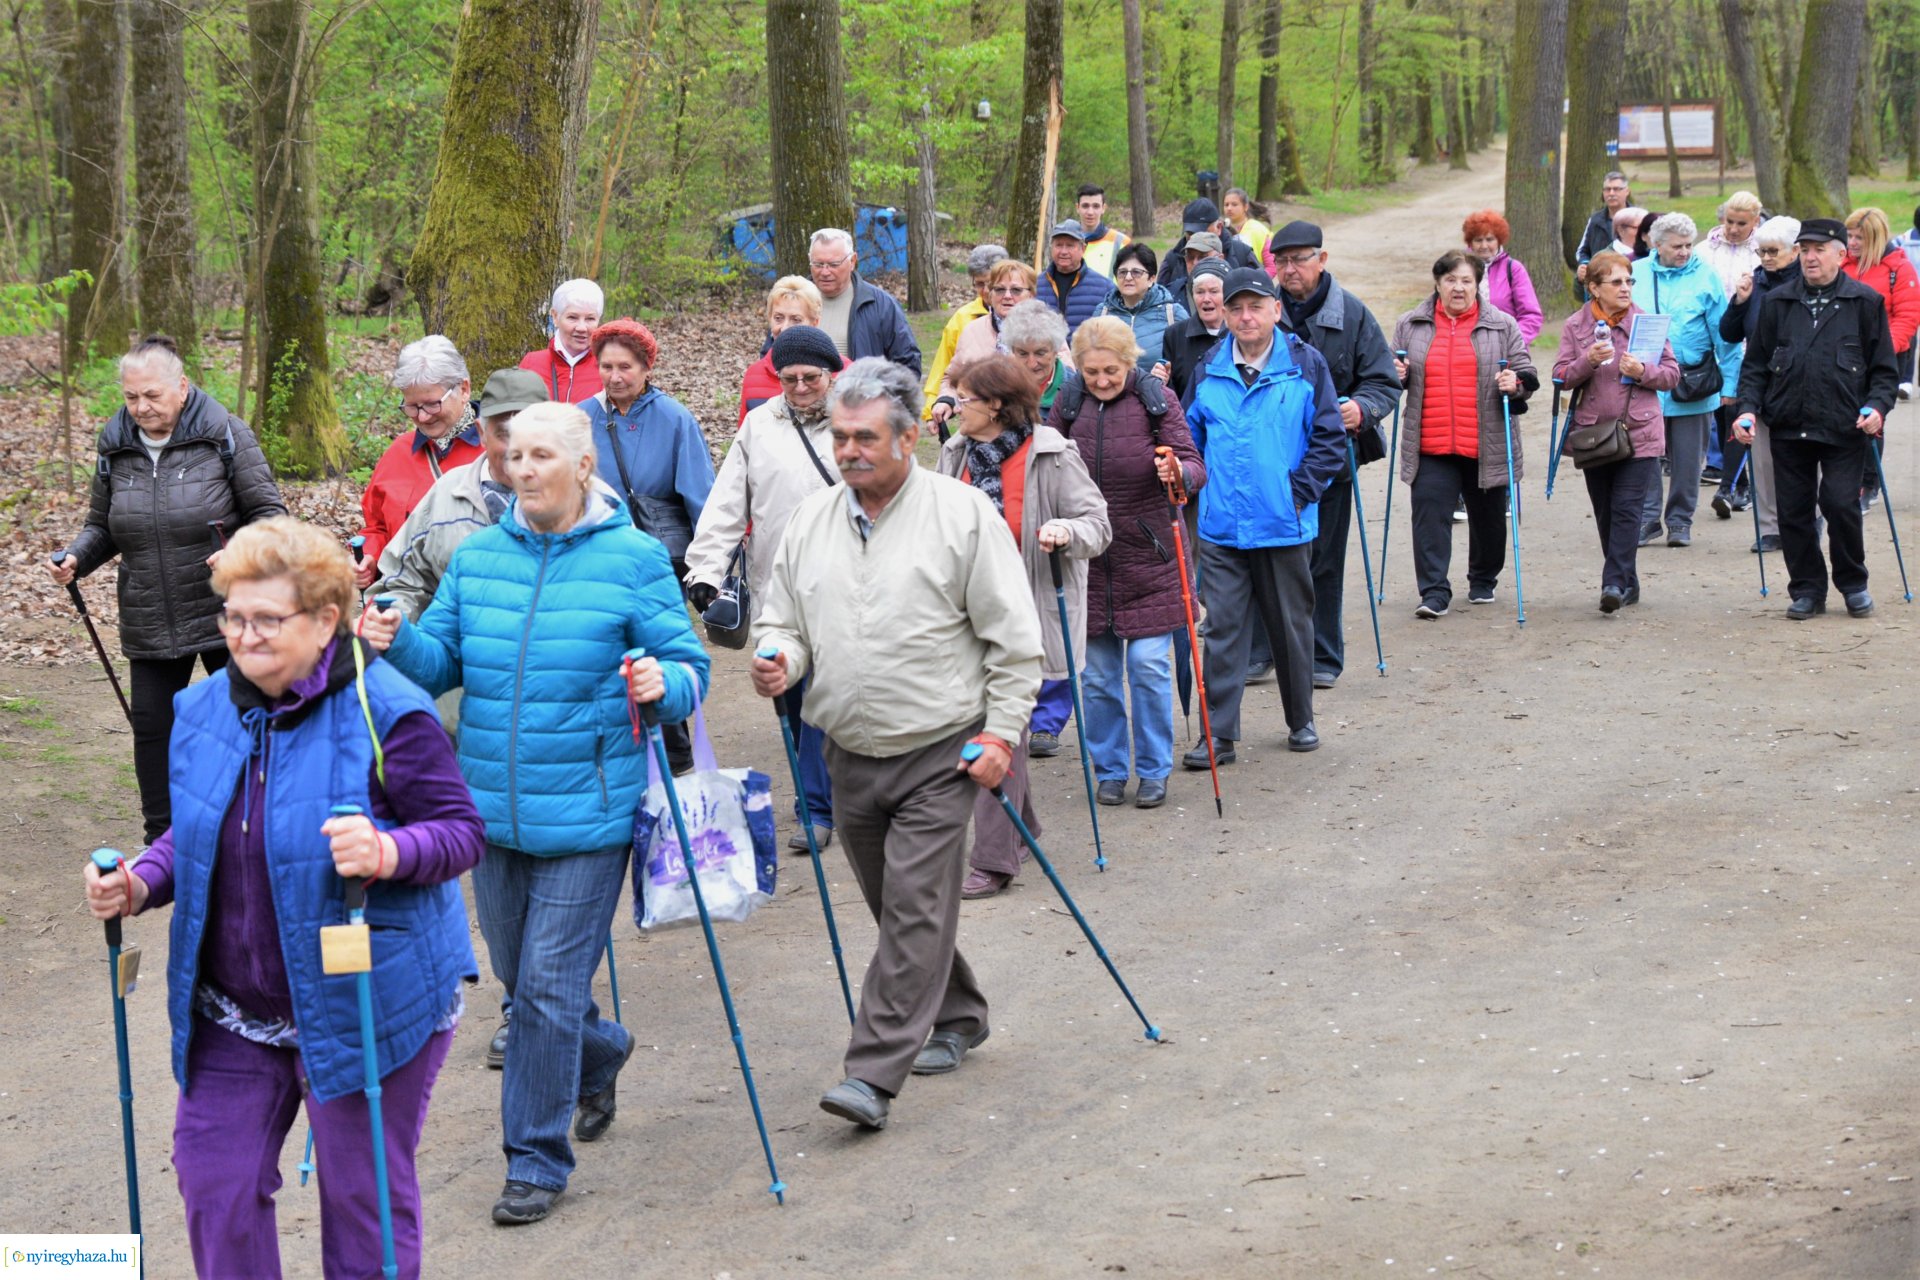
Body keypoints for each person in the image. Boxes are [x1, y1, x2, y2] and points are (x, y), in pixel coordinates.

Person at [82, 516, 483, 1277]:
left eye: (268, 618)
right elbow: (194, 833)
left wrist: (389, 849)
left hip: (365, 997)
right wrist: (138, 882)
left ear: (327, 619)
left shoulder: (387, 709)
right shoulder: (200, 712)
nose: (244, 635)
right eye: (232, 616)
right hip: (235, 1009)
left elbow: (461, 832)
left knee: (360, 1200)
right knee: (215, 1187)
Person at [360, 400, 711, 1223]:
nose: (522, 469)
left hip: (590, 809)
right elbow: (440, 660)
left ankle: (535, 1160)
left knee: (544, 993)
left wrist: (666, 688)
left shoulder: (632, 560)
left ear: (583, 466)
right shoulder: (479, 560)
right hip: (486, 811)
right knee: (526, 985)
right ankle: (601, 1052)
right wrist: (394, 635)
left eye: (541, 455)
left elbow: (688, 665)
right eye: (513, 455)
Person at [750, 358, 1043, 1130]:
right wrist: (780, 658)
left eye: (865, 437)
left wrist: (1002, 735)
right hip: (847, 750)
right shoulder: (814, 521)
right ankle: (957, 1012)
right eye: (841, 437)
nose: (849, 451)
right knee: (899, 908)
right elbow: (783, 618)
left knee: (914, 907)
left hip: (942, 751)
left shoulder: (960, 515)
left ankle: (872, 1073)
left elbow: (1016, 642)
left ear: (909, 438)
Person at [50, 335, 285, 844]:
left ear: (182, 387)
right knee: (153, 730)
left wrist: (240, 551)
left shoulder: (224, 434)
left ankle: (261, 826)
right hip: (150, 612)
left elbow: (270, 515)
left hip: (230, 609)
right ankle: (163, 841)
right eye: (132, 397)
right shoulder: (115, 445)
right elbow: (104, 525)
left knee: (250, 718)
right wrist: (76, 557)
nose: (141, 407)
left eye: (152, 395)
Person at [936, 355, 1110, 898]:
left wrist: (1064, 530)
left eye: (964, 398)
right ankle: (1022, 825)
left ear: (996, 405)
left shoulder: (1053, 455)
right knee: (984, 729)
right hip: (964, 618)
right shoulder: (954, 453)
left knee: (995, 731)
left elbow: (1098, 525)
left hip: (1026, 617)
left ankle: (994, 859)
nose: (954, 406)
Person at [685, 324, 844, 852]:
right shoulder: (758, 425)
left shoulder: (859, 418)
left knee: (833, 695)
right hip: (778, 583)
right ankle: (818, 801)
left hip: (849, 583)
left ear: (831, 374)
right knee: (797, 698)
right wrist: (705, 571)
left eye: (810, 378)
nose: (799, 388)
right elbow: (730, 501)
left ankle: (827, 803)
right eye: (789, 378)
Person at [1182, 268, 1345, 766]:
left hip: (1284, 523)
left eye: (1256, 306)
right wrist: (1189, 480)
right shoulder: (1208, 368)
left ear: (1276, 309)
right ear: (1225, 315)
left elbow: (1329, 438)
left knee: (1290, 625)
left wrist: (1297, 493)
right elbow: (1189, 437)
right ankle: (1219, 735)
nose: (1246, 316)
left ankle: (1301, 719)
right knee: (1225, 628)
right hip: (1223, 527)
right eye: (1236, 308)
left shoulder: (1306, 365)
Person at [1049, 317, 1205, 809]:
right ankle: (1111, 769)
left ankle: (1154, 768)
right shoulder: (1068, 401)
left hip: (1149, 555)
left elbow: (1194, 465)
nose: (1100, 381)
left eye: (1110, 371)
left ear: (1128, 361)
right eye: (1091, 371)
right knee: (1096, 677)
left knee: (1149, 667)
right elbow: (1044, 460)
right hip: (1087, 560)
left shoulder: (1156, 398)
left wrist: (1176, 470)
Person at [1732, 219, 1900, 620]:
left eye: (1819, 249)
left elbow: (1884, 372)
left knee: (1841, 505)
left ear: (1841, 254)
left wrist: (1877, 408)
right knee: (1793, 512)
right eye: (1804, 249)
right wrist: (1746, 410)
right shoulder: (1778, 302)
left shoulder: (1865, 302)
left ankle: (1853, 583)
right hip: (1789, 424)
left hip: (1845, 427)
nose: (1810, 256)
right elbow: (1755, 366)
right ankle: (1807, 588)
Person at [1268, 221, 1401, 689]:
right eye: (1281, 261)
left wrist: (1361, 408)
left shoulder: (1353, 314)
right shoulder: (1260, 311)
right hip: (1268, 459)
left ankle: (1323, 655)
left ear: (1322, 260)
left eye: (1299, 259)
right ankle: (1265, 651)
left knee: (1323, 561)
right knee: (1265, 557)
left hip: (1329, 460)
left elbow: (1385, 381)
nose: (1289, 270)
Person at [1391, 251, 1538, 618]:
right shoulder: (1411, 324)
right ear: (1438, 283)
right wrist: (1397, 374)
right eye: (1451, 280)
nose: (1458, 288)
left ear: (1478, 284)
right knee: (1428, 515)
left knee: (1488, 519)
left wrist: (1514, 382)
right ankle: (1434, 592)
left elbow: (1525, 371)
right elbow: (1391, 373)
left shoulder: (1502, 325)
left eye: (1466, 280)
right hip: (1430, 442)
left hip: (1484, 441)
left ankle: (1483, 578)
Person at [1553, 251, 1683, 611]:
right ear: (1594, 288)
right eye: (1616, 282)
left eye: (1629, 281)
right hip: (1594, 435)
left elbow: (1672, 375)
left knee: (1628, 509)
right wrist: (1587, 362)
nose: (1625, 288)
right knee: (1607, 514)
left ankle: (1612, 583)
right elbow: (1560, 377)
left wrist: (1644, 370)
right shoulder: (1575, 327)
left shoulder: (1648, 323)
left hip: (1640, 432)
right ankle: (1628, 581)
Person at [375, 368, 550, 622]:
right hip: (458, 654)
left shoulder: (581, 496)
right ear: (481, 433)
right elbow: (401, 583)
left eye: (531, 431)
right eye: (504, 434)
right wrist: (394, 624)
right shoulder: (449, 492)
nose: (518, 446)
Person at [1631, 212, 1739, 548]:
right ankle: (1648, 519)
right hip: (1644, 381)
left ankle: (1680, 521)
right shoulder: (1634, 274)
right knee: (1644, 455)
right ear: (1656, 244)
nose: (1685, 251)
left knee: (1689, 459)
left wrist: (1731, 386)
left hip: (1694, 381)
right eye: (1677, 246)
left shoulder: (1706, 277)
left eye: (1689, 245)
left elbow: (1726, 337)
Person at [580, 317, 714, 579]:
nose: (615, 377)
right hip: (594, 561)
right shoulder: (582, 417)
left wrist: (707, 568)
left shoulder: (675, 420)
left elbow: (701, 499)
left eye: (625, 367)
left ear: (646, 368)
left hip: (656, 562)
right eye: (606, 367)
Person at [359, 336, 485, 585]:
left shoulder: (497, 451)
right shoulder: (398, 453)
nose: (423, 417)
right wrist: (369, 556)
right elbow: (377, 527)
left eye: (432, 404)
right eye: (412, 407)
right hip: (405, 597)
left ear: (464, 389)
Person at [1718, 215, 1802, 548]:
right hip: (1761, 380)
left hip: (1799, 381)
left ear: (1794, 252)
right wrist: (1739, 301)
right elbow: (1729, 332)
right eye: (1761, 251)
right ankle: (1770, 529)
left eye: (1773, 251)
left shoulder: (1806, 283)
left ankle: (1807, 519)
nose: (1766, 258)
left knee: (1801, 459)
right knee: (1764, 461)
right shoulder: (1755, 281)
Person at [1696, 193, 1765, 480]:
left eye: (1741, 223)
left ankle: (1737, 476)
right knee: (1716, 407)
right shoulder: (1703, 250)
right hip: (1711, 341)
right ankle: (1726, 469)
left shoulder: (1762, 250)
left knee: (1736, 407)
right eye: (1729, 221)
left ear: (1755, 222)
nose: (1734, 228)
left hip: (1748, 341)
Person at [931, 260, 1042, 432]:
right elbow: (952, 379)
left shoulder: (1046, 331)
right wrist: (946, 400)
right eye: (999, 289)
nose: (1006, 296)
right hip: (980, 431)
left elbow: (1064, 378)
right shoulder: (972, 330)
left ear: (1031, 294)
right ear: (990, 294)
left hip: (1032, 429)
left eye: (1016, 290)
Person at [808, 227, 922, 374]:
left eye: (834, 265)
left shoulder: (881, 305)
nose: (824, 272)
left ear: (852, 261)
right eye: (818, 264)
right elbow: (770, 364)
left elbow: (908, 364)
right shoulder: (793, 301)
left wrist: (879, 394)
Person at [1843, 207, 1920, 414]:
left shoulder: (1900, 269)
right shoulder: (1840, 266)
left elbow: (1907, 318)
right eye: (1849, 235)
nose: (1852, 242)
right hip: (1843, 356)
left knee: (1871, 417)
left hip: (1883, 358)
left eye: (1859, 237)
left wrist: (1881, 350)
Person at [922, 244, 1008, 417]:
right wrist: (932, 410)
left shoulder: (1025, 315)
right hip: (976, 413)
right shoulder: (962, 318)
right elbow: (943, 368)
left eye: (990, 284)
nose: (985, 291)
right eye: (979, 284)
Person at [740, 275, 825, 424]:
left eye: (796, 320)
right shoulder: (754, 375)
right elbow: (746, 440)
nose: (785, 328)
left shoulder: (841, 372)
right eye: (778, 318)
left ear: (815, 323)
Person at [1092, 243, 1187, 376]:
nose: (1128, 277)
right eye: (1122, 272)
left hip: (1157, 394)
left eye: (1136, 272)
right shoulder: (1102, 313)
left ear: (1151, 279)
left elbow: (1186, 366)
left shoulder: (1173, 314)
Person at [518, 278, 605, 403]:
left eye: (590, 319)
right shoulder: (531, 364)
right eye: (572, 317)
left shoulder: (607, 369)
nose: (581, 328)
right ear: (555, 316)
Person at [1463, 209, 1544, 343]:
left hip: (1507, 350)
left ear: (1499, 240)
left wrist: (1513, 342)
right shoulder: (1459, 268)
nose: (1484, 246)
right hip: (1467, 348)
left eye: (1489, 239)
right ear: (1470, 243)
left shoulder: (1514, 269)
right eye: (1478, 240)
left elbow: (1531, 315)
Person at [1159, 198, 1257, 300]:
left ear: (1219, 227)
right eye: (1190, 234)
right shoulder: (1173, 259)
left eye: (1201, 232)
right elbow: (1161, 303)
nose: (1196, 238)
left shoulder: (1242, 254)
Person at [1164, 259, 1230, 401]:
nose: (1206, 299)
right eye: (1200, 292)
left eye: (1214, 291)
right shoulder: (1175, 335)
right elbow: (1172, 393)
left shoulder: (1240, 332)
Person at [1003, 299, 1076, 417]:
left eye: (1040, 353)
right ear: (1013, 351)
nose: (1032, 363)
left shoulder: (1075, 390)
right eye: (1023, 354)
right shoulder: (999, 387)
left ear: (1055, 350)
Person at [1038, 220, 1112, 335]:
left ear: (1083, 249)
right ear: (1051, 248)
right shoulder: (1036, 285)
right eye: (1058, 245)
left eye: (1070, 246)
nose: (1063, 251)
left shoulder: (1105, 288)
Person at [1575, 171, 1633, 298]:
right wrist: (1584, 265)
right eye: (1607, 189)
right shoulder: (1595, 220)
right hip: (1600, 287)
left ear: (1627, 191)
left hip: (1628, 284)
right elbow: (1582, 251)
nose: (1611, 193)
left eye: (1616, 189)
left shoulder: (1638, 220)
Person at [1076, 184, 1131, 280]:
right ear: (1077, 208)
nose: (1090, 212)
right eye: (1085, 206)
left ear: (1103, 208)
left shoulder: (1121, 242)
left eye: (1096, 206)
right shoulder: (1066, 241)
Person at [1222, 187, 1271, 268]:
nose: (1229, 208)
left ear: (1245, 207)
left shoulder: (1258, 229)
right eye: (1226, 205)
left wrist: (1260, 279)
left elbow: (1271, 266)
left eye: (1234, 204)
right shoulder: (1220, 229)